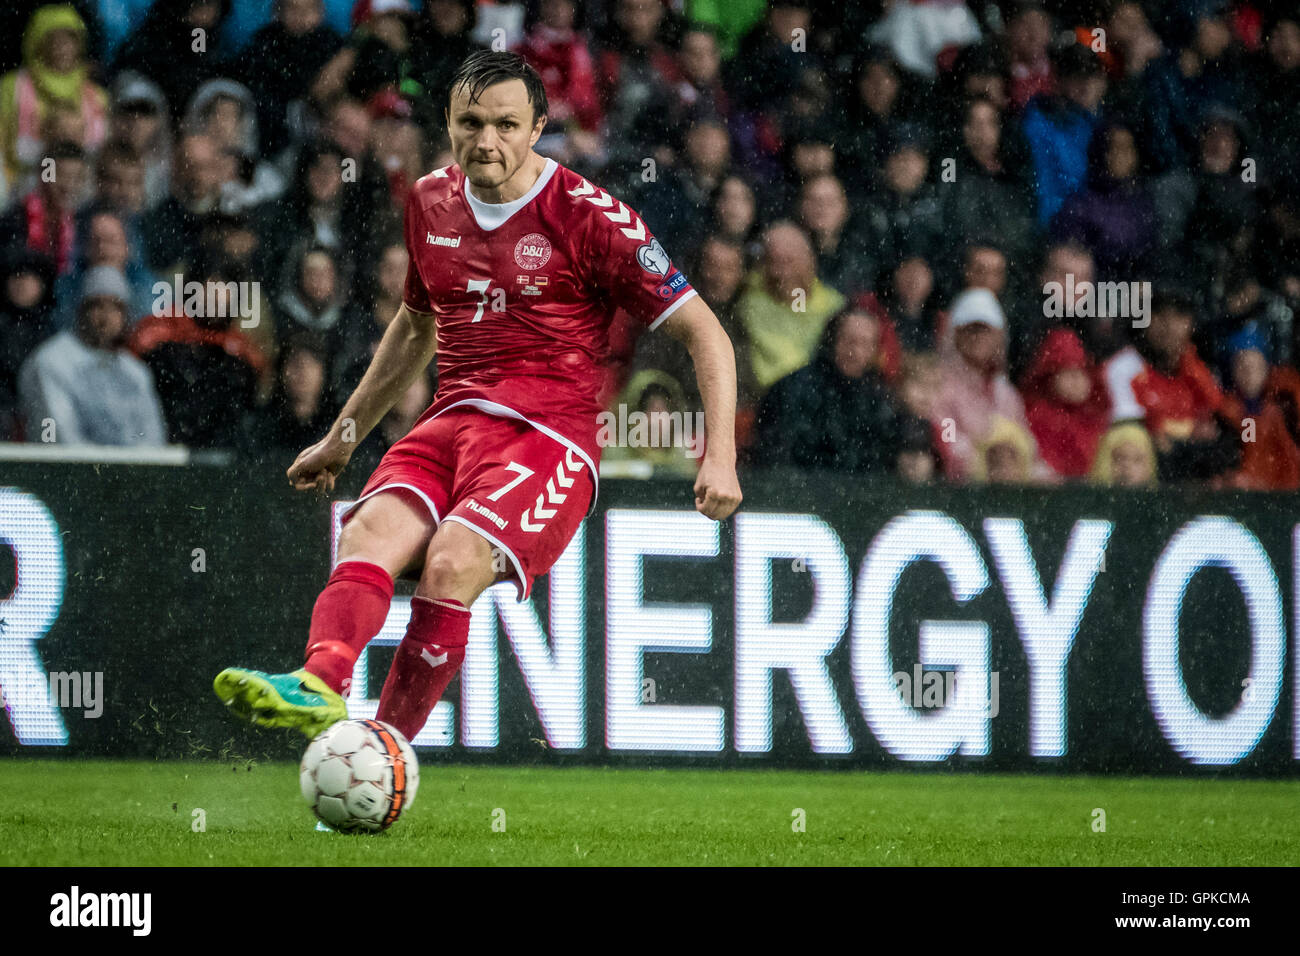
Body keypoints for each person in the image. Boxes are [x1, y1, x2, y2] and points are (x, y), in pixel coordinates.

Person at [212, 51, 741, 746]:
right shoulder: (431, 200)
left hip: (546, 439)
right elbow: (414, 328)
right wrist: (340, 438)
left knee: (452, 559)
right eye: (470, 123)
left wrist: (720, 455)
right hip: (451, 421)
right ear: (449, 124)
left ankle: (384, 752)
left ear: (536, 130)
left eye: (505, 125)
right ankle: (321, 684)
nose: (485, 141)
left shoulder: (590, 218)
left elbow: (706, 332)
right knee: (366, 532)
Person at [17, 264, 165, 446]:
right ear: (80, 309)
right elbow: (60, 438)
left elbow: (153, 440)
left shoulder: (135, 371)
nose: (105, 317)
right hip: (68, 472)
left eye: (115, 307)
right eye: (97, 305)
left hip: (129, 473)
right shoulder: (51, 361)